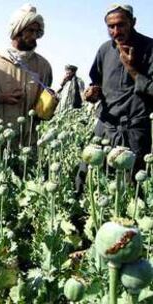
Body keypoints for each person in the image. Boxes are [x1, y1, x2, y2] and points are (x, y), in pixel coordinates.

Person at [76, 4, 153, 193]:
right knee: (87, 180)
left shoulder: (150, 48)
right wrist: (93, 93)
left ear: (133, 23)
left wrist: (132, 69)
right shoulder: (104, 50)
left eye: (121, 25)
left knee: (134, 189)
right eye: (111, 27)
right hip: (106, 126)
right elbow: (97, 82)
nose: (115, 31)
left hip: (135, 130)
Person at [0, 3, 52, 162]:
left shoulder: (43, 66)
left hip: (28, 142)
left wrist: (48, 105)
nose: (34, 35)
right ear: (17, 31)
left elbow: (43, 109)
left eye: (37, 31)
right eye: (30, 31)